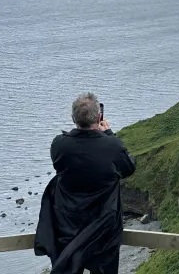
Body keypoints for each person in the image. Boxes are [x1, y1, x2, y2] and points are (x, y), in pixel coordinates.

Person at [34, 93, 136, 274]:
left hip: (68, 223)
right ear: (99, 117)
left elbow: (61, 164)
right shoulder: (112, 146)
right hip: (104, 226)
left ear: (73, 118)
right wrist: (108, 134)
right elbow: (128, 167)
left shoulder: (59, 145)